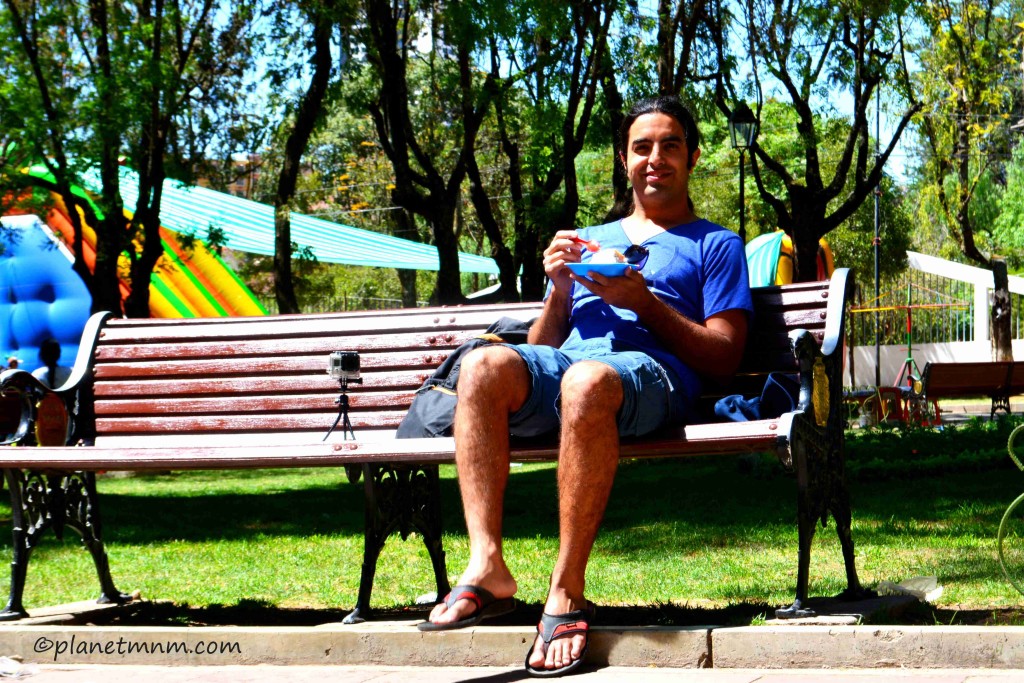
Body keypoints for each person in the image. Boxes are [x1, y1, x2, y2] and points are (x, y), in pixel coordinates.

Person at [418, 95, 754, 677]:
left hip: (650, 379)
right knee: (482, 365)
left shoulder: (715, 244)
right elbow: (544, 349)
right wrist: (559, 289)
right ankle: (487, 566)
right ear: (624, 160)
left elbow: (724, 358)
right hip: (570, 370)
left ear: (692, 157)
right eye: (641, 148)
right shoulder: (589, 237)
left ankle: (566, 590)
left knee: (588, 380)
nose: (656, 159)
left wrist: (642, 301)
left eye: (670, 146)